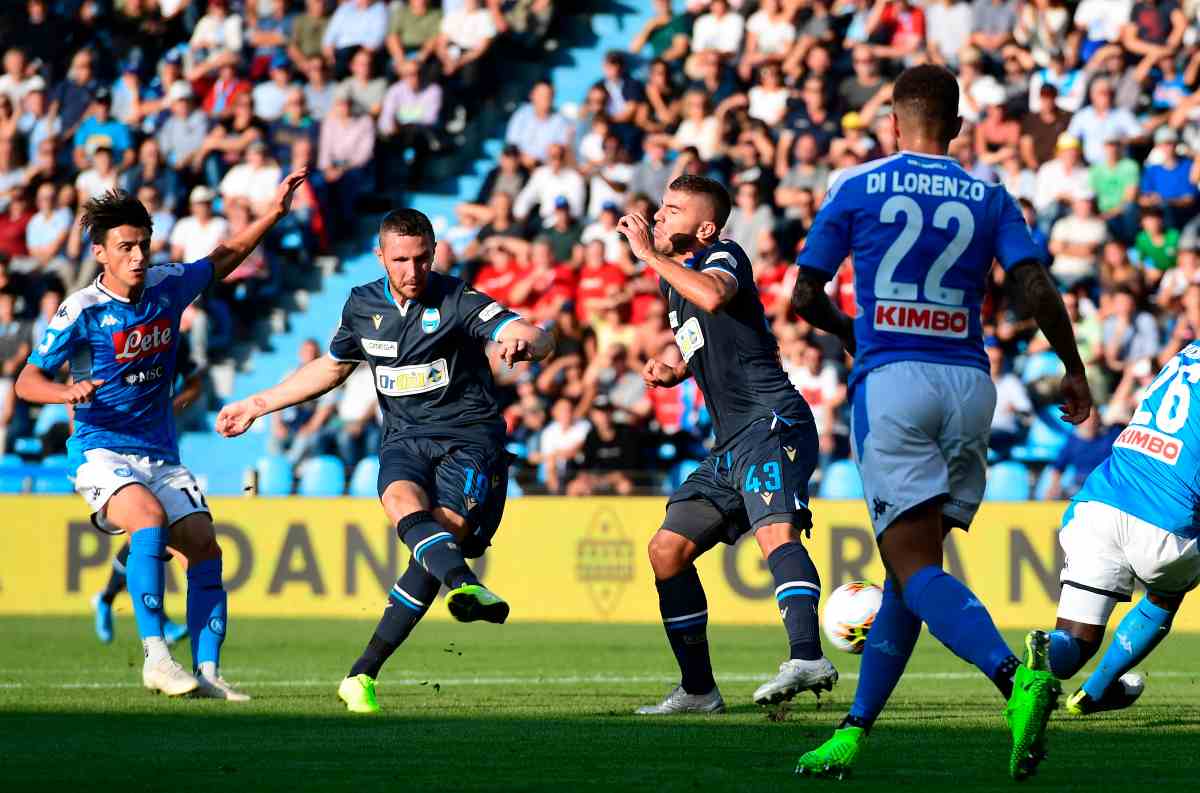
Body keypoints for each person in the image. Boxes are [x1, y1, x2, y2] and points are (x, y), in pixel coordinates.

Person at [791, 65, 1092, 780]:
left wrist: (848, 330)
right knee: (911, 570)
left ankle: (1013, 678)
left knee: (916, 564)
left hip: (893, 380)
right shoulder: (989, 195)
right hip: (968, 383)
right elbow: (1033, 284)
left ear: (893, 123)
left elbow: (805, 292)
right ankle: (856, 727)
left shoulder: (858, 187)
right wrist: (1072, 366)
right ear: (957, 126)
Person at [214, 208, 554, 714]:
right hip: (404, 439)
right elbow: (332, 367)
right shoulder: (361, 304)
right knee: (401, 502)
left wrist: (527, 342)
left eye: (421, 259)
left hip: (468, 441)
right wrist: (258, 403)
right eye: (400, 260)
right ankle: (464, 586)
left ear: (435, 253)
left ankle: (362, 673)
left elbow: (529, 330)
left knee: (441, 539)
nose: (412, 271)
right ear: (381, 257)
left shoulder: (457, 298)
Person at [15, 169, 310, 699]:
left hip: (159, 450)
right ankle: (156, 658)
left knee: (204, 547)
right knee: (147, 522)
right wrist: (66, 393)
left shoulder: (167, 285)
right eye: (125, 246)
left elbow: (222, 258)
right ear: (101, 253)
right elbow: (26, 380)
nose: (137, 255)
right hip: (100, 448)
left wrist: (273, 213)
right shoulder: (80, 310)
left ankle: (210, 673)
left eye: (143, 244)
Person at [616, 175, 835, 716]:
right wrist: (678, 370)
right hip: (730, 443)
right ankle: (698, 690)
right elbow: (724, 342)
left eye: (672, 210)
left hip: (773, 423)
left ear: (705, 227)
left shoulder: (724, 255)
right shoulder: (676, 284)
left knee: (775, 532)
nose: (659, 217)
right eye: (660, 208)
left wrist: (646, 253)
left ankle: (808, 657)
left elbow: (715, 296)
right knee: (667, 551)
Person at [1031, 341, 1200, 719]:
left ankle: (1043, 649)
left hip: (1100, 503)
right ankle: (1097, 689)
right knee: (1166, 594)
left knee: (1071, 649)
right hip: (1166, 524)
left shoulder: (1187, 352)